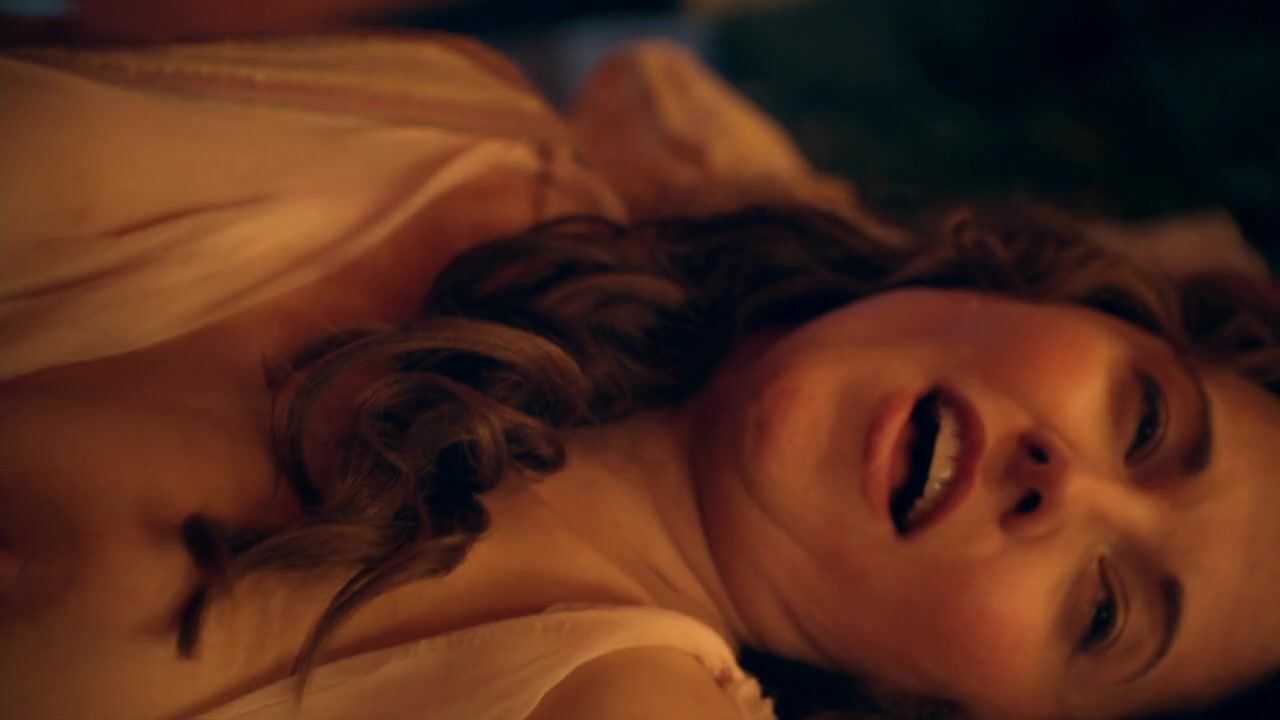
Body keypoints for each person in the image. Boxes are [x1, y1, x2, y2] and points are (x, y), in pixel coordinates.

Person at [1, 34, 1277, 720]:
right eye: (1144, 421)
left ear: (942, 710)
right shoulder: (465, 122)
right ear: (1045, 294)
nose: (1066, 487)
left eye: (1101, 612)